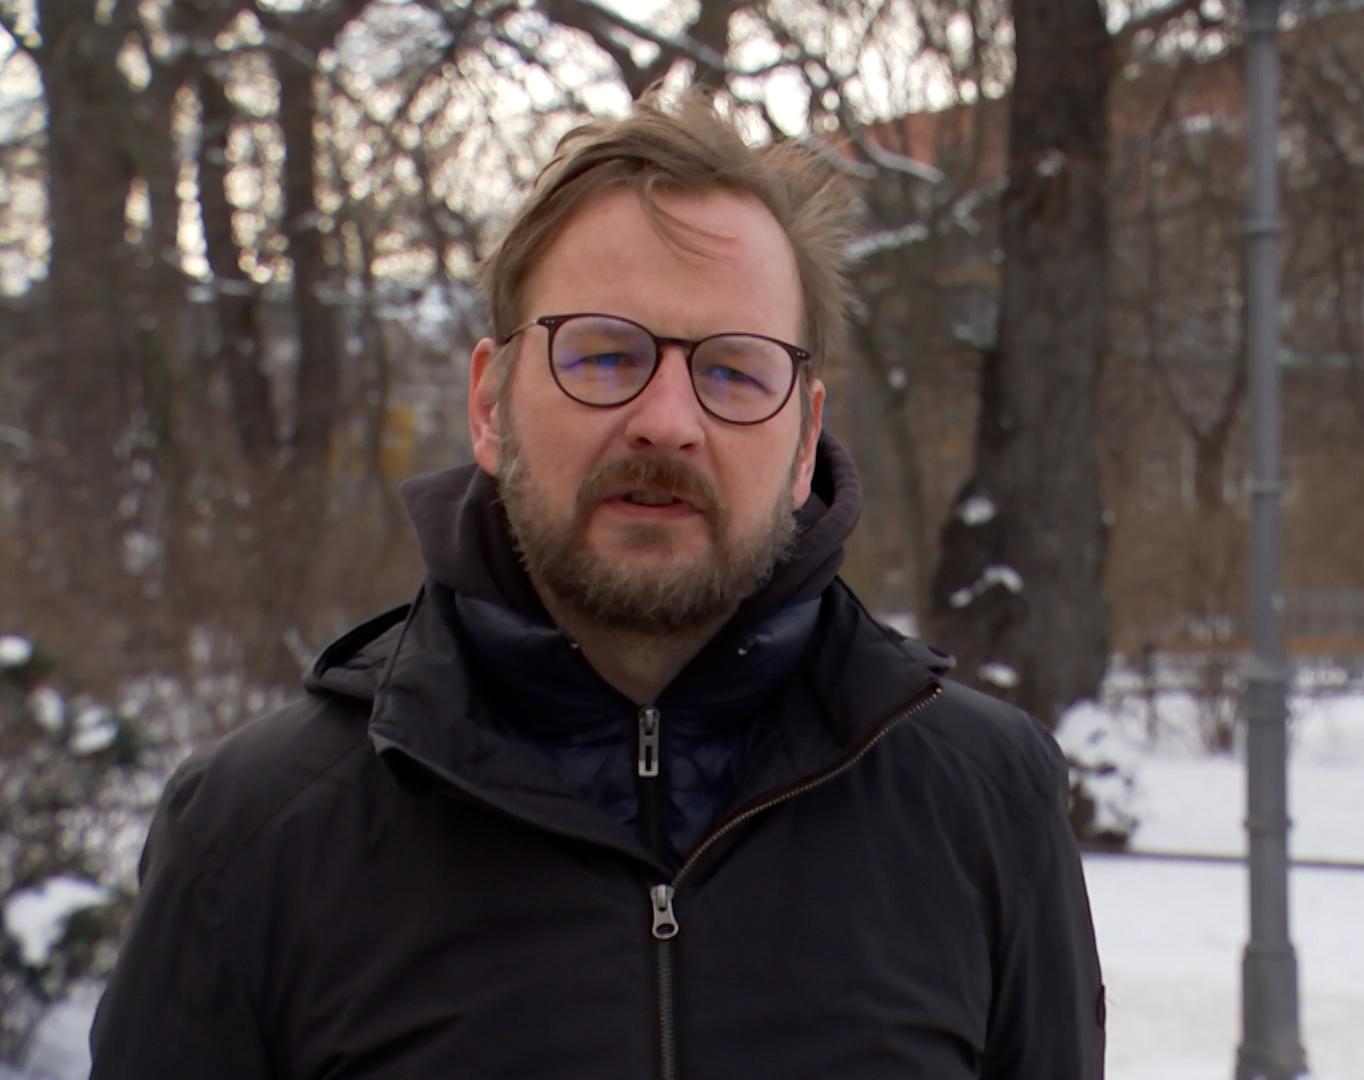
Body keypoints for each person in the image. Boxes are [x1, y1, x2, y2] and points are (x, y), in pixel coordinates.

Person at [89, 89, 1105, 1079]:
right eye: (605, 355)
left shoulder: (985, 802)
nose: (668, 419)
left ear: (803, 440)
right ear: (490, 403)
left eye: (735, 371)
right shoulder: (255, 834)